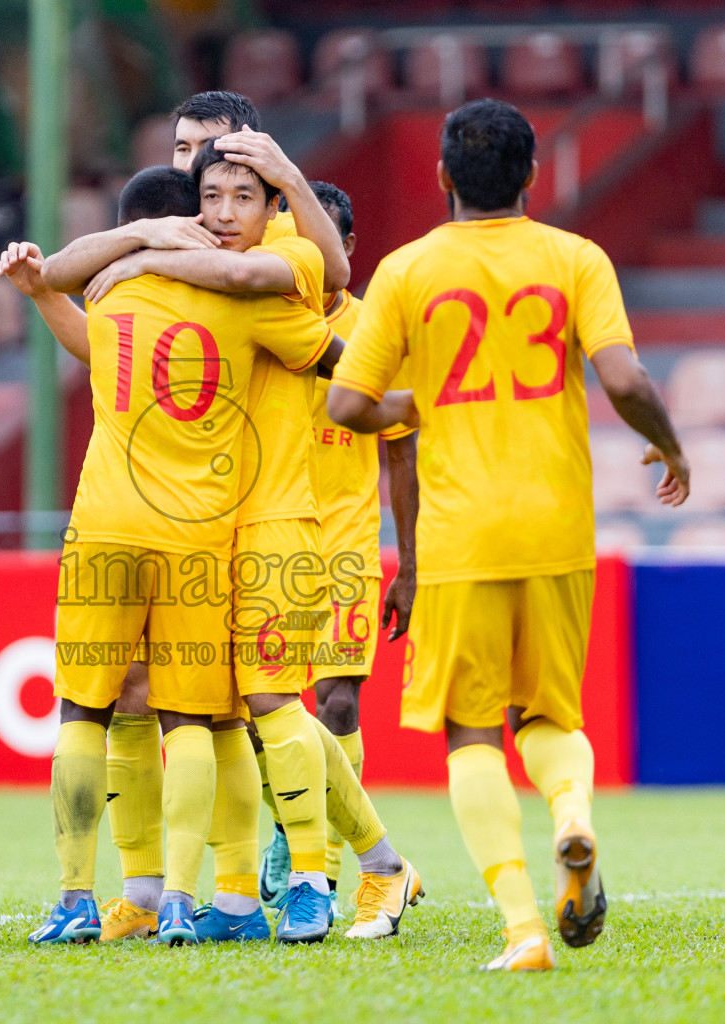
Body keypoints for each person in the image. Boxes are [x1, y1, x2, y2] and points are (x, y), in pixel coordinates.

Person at [328, 98, 689, 971]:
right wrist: (669, 445)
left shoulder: (409, 270)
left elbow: (347, 403)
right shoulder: (575, 258)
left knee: (470, 731)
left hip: (459, 535)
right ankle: (572, 816)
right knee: (550, 713)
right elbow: (625, 378)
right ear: (533, 175)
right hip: (558, 526)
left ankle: (526, 930)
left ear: (443, 176)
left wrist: (424, 400)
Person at [27, 164, 345, 945]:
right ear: (194, 215)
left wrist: (99, 266)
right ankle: (179, 895)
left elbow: (71, 304)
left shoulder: (111, 295)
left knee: (84, 712)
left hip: (102, 524)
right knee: (194, 719)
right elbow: (340, 358)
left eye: (239, 195)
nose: (225, 212)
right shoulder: (247, 300)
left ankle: (77, 898)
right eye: (212, 197)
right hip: (198, 535)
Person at [257, 181, 419, 908]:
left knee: (338, 704)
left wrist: (410, 563)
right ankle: (303, 832)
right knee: (264, 707)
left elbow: (402, 453)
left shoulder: (377, 336)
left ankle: (312, 857)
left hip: (348, 545)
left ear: (345, 248)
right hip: (266, 536)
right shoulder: (262, 322)